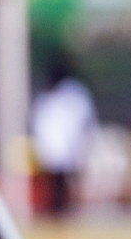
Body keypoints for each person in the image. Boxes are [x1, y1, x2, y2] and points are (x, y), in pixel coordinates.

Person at [30, 56, 98, 217]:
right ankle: (57, 212)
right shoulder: (49, 96)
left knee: (65, 184)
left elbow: (83, 120)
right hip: (54, 148)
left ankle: (66, 212)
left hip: (68, 147)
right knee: (55, 184)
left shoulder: (72, 93)